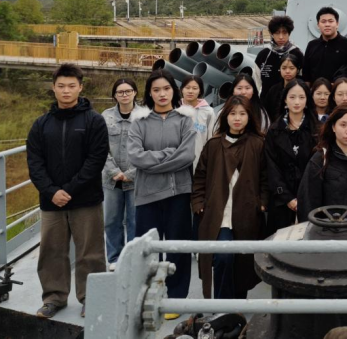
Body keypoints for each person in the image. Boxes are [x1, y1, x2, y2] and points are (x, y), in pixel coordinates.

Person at [27, 64, 108, 319]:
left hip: (86, 199)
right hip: (51, 201)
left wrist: (69, 190)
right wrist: (52, 191)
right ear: (53, 88)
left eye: (71, 86)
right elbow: (35, 163)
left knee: (90, 252)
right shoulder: (41, 124)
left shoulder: (94, 121)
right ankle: (54, 297)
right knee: (51, 251)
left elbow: (96, 160)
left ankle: (91, 297)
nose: (66, 90)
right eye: (61, 86)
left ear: (80, 87)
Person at [128, 69, 196, 313]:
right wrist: (169, 154)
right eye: (156, 90)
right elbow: (135, 156)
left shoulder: (185, 119)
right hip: (147, 195)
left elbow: (187, 155)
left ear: (173, 91)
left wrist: (153, 162)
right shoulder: (139, 122)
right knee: (147, 250)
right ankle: (145, 297)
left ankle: (175, 298)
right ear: (149, 93)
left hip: (178, 194)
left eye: (166, 88)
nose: (162, 94)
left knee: (177, 248)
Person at [192, 96, 269, 299]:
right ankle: (222, 307)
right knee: (223, 257)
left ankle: (237, 308)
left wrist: (262, 203)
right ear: (225, 116)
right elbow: (200, 177)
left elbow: (265, 177)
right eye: (233, 113)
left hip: (247, 213)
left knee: (242, 262)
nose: (237, 118)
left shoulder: (258, 144)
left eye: (242, 114)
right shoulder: (214, 144)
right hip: (220, 214)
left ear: (249, 117)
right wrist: (198, 203)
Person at [264, 80, 320, 233]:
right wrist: (287, 198)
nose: (297, 102)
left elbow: (318, 166)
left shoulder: (316, 131)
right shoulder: (274, 131)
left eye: (301, 97)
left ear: (307, 100)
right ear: (285, 100)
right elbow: (271, 166)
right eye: (292, 97)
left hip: (311, 199)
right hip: (281, 200)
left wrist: (305, 197)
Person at [102, 78, 143, 272]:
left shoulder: (144, 116)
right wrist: (114, 171)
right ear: (114, 95)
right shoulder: (106, 116)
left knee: (135, 220)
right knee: (111, 219)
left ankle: (132, 257)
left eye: (128, 91)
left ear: (135, 92)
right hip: (110, 179)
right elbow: (100, 147)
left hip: (136, 178)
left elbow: (148, 147)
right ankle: (114, 257)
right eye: (120, 92)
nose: (124, 95)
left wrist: (131, 173)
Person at [255, 15, 304, 102]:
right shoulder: (263, 55)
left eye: (284, 33)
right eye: (277, 33)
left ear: (289, 33)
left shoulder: (297, 53)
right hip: (267, 103)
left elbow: (303, 78)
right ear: (272, 34)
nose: (281, 37)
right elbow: (256, 81)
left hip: (291, 103)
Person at [303, 6, 347, 83]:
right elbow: (306, 75)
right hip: (316, 90)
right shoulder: (311, 45)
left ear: (337, 24)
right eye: (323, 21)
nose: (327, 24)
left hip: (339, 89)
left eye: (330, 21)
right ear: (318, 25)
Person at [180, 74, 215, 170]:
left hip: (199, 160)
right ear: (182, 89)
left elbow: (211, 138)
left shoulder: (208, 112)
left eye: (195, 88)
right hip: (177, 160)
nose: (190, 91)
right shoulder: (175, 110)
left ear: (200, 91)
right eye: (187, 88)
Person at [263, 50, 304, 122]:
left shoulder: (303, 89)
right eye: (284, 68)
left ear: (297, 70)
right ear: (280, 69)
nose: (287, 71)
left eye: (291, 68)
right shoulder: (273, 90)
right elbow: (267, 111)